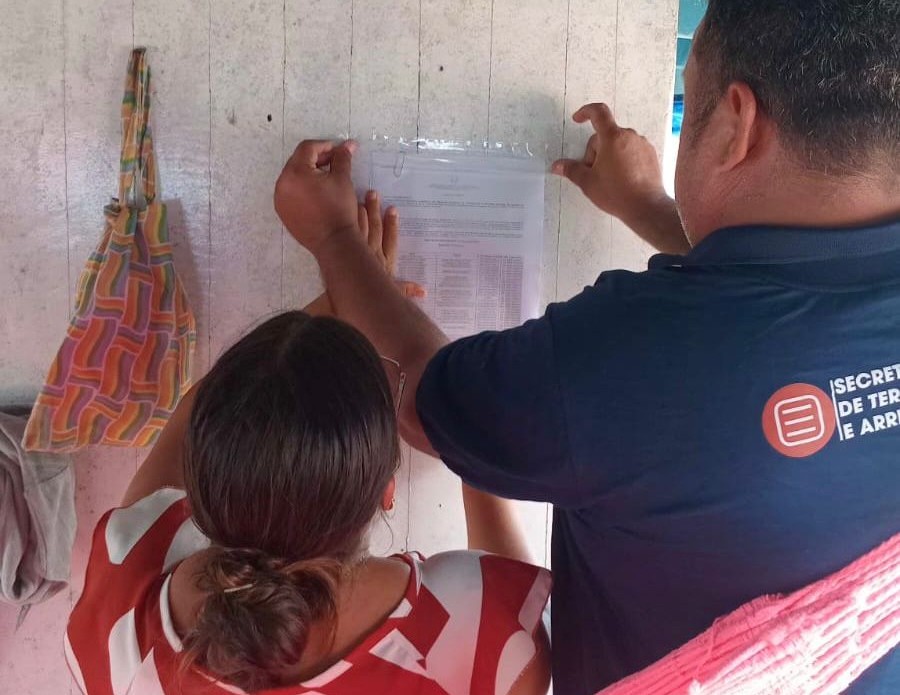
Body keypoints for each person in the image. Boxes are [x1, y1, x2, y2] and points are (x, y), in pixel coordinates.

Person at [273, 1, 900, 693]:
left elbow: (423, 397)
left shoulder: (642, 349)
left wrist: (333, 237)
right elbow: (795, 289)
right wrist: (649, 207)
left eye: (691, 98)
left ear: (735, 124)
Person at [64, 204, 551, 695]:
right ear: (388, 490)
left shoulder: (126, 593)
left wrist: (339, 289)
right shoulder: (483, 628)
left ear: (203, 482)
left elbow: (190, 421)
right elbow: (514, 617)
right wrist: (466, 427)